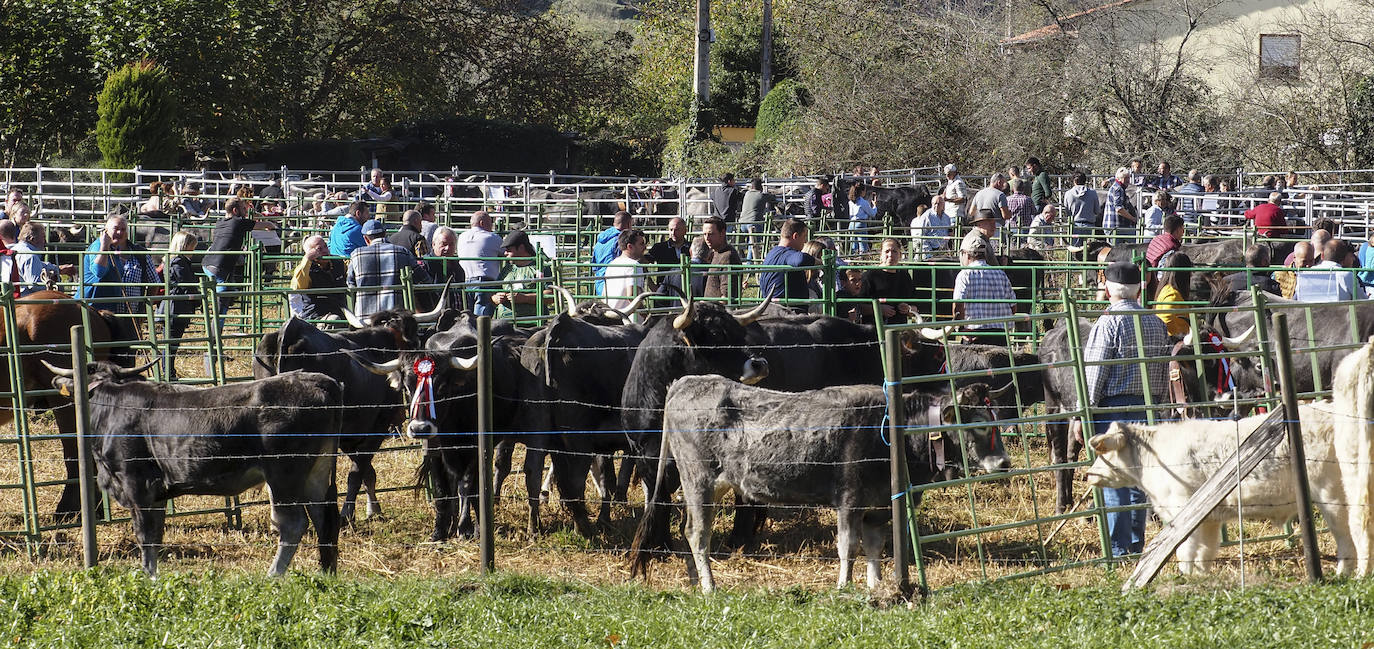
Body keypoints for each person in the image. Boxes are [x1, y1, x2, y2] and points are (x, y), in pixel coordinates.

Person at [1083, 261, 1169, 558]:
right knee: (1137, 481)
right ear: (1137, 290)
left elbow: (1095, 372)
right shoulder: (1156, 322)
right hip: (1147, 407)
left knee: (1113, 481)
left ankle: (1118, 550)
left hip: (1113, 411)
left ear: (1108, 289)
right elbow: (1160, 370)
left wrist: (1084, 412)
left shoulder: (1107, 323)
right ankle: (1135, 544)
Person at [202, 197, 276, 324]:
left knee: (229, 290)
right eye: (243, 209)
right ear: (235, 210)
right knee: (222, 301)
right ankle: (215, 336)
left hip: (208, 263)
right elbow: (267, 225)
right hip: (219, 267)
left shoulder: (220, 223)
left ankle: (232, 293)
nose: (245, 212)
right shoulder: (239, 222)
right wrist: (272, 226)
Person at [347, 219, 432, 316]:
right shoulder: (402, 252)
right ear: (385, 234)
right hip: (395, 318)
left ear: (366, 239)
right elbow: (425, 279)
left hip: (365, 318)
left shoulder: (356, 255)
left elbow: (351, 285)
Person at [83, 214, 160, 314]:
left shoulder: (135, 253)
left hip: (120, 311)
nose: (119, 232)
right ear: (106, 230)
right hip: (94, 310)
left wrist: (144, 308)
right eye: (116, 228)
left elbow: (154, 283)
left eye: (123, 229)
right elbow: (99, 271)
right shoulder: (98, 246)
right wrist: (104, 247)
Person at [159, 230, 202, 380]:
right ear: (184, 246)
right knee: (171, 342)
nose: (193, 250)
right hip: (175, 306)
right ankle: (168, 374)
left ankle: (169, 373)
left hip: (175, 305)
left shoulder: (172, 260)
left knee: (171, 342)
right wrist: (198, 297)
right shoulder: (178, 262)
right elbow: (186, 284)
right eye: (192, 246)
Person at [952, 235, 1014, 337]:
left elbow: (958, 305)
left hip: (974, 333)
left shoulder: (964, 275)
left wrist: (960, 328)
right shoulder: (1000, 273)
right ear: (985, 254)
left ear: (967, 255)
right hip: (999, 333)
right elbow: (1013, 306)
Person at [491, 230, 550, 322]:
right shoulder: (507, 269)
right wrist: (496, 298)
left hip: (531, 325)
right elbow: (493, 293)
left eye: (509, 250)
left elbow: (551, 295)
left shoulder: (541, 268)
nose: (505, 253)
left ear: (521, 248)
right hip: (504, 324)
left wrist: (525, 298)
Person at [856, 238, 918, 325]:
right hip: (874, 327)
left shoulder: (905, 276)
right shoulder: (869, 276)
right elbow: (859, 307)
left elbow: (915, 305)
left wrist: (908, 308)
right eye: (887, 251)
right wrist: (878, 309)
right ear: (880, 254)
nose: (890, 255)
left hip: (899, 327)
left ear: (900, 255)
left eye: (894, 251)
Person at [759, 218, 816, 309]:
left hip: (773, 309)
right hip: (787, 313)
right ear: (795, 236)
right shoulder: (788, 254)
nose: (805, 242)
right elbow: (801, 259)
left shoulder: (771, 253)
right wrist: (819, 262)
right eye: (804, 237)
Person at [289, 234, 347, 319]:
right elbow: (298, 287)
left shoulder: (338, 262)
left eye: (325, 246)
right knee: (334, 320)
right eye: (319, 249)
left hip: (341, 309)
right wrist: (307, 259)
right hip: (316, 314)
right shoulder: (306, 268)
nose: (325, 251)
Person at [11, 222, 73, 295]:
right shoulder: (30, 256)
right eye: (43, 237)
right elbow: (35, 285)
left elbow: (39, 264)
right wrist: (53, 285)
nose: (45, 241)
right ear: (32, 239)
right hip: (26, 299)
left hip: (14, 295)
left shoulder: (16, 249)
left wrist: (57, 269)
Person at [604, 228, 648, 320]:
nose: (645, 247)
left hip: (612, 316)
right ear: (630, 247)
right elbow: (632, 295)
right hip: (630, 319)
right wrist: (646, 315)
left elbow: (604, 295)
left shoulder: (612, 264)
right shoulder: (634, 265)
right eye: (641, 244)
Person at [1294, 238, 1357, 303]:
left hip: (1309, 312)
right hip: (1339, 312)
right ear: (1344, 259)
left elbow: (1296, 299)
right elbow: (1362, 301)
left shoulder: (1306, 274)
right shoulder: (1347, 275)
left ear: (1322, 256)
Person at [1151, 253, 1194, 337]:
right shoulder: (1172, 294)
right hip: (1177, 342)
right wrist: (1178, 336)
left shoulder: (1166, 289)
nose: (1191, 274)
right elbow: (1166, 320)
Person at [592, 210, 634, 295]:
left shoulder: (600, 240)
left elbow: (594, 264)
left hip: (599, 281)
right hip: (614, 281)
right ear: (629, 224)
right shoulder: (621, 240)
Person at [701, 217, 742, 300]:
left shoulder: (728, 257)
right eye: (704, 234)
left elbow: (726, 296)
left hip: (718, 311)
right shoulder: (715, 252)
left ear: (722, 233)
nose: (707, 238)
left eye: (711, 234)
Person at [647, 216, 691, 294]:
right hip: (665, 291)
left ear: (685, 231)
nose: (673, 233)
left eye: (677, 230)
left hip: (687, 291)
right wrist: (652, 285)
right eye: (671, 230)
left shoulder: (692, 247)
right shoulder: (659, 247)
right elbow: (641, 264)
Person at [972, 173, 1013, 249]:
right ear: (999, 182)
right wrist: (1009, 213)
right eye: (1003, 183)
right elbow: (1005, 215)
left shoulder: (979, 193)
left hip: (980, 227)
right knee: (996, 251)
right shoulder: (1000, 195)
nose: (1004, 186)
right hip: (994, 228)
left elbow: (971, 212)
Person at [738, 178, 774, 261]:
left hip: (742, 222)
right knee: (753, 244)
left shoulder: (747, 194)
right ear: (760, 186)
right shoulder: (761, 195)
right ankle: (750, 265)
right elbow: (772, 197)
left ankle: (745, 261)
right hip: (753, 223)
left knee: (748, 243)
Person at [1063, 171, 1099, 246]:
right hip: (1089, 226)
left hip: (1075, 226)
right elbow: (1097, 211)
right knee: (1090, 252)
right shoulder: (1093, 193)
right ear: (1085, 181)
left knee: (1075, 250)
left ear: (1074, 181)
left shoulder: (1068, 194)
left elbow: (1067, 212)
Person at [910, 195, 950, 259]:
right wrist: (929, 252)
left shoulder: (946, 218)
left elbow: (948, 232)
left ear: (943, 205)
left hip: (942, 250)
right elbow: (921, 234)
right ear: (932, 204)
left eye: (939, 204)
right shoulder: (926, 216)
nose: (936, 206)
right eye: (935, 203)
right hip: (928, 250)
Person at [1103, 167, 1137, 243]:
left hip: (1117, 226)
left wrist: (1108, 180)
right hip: (1116, 227)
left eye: (1128, 178)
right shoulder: (1118, 189)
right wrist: (1132, 218)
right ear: (1119, 179)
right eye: (1125, 178)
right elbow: (1119, 209)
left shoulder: (1117, 186)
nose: (1128, 180)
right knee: (1135, 242)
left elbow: (1114, 179)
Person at [847, 184, 877, 255]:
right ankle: (863, 258)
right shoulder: (863, 202)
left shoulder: (851, 201)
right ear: (862, 191)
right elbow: (872, 213)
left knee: (853, 244)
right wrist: (875, 205)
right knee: (863, 243)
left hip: (852, 223)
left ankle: (853, 258)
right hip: (860, 223)